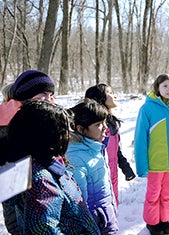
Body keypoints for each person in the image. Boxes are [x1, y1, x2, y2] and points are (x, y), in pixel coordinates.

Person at [5, 100, 100, 234]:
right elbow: (44, 229)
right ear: (45, 135)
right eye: (62, 130)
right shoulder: (41, 180)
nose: (67, 135)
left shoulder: (39, 164)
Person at [134, 74, 169, 235]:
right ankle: (152, 222)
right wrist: (142, 165)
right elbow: (140, 139)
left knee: (167, 194)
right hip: (155, 163)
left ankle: (164, 220)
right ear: (157, 87)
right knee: (153, 194)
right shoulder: (147, 109)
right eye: (165, 86)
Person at [0, 69, 56, 234]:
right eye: (40, 97)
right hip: (20, 196)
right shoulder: (6, 124)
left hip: (48, 195)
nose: (46, 100)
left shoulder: (48, 116)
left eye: (49, 95)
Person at [66, 99, 119, 234]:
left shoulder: (95, 146)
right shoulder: (76, 158)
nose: (105, 127)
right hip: (95, 223)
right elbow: (79, 204)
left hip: (105, 215)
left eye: (105, 122)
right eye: (98, 124)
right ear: (80, 129)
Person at [85, 83, 136, 205]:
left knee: (113, 205)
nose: (115, 96)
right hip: (98, 177)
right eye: (110, 93)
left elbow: (116, 149)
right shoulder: (94, 126)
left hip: (113, 174)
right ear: (100, 98)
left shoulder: (112, 122)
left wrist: (125, 167)